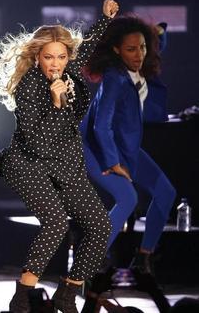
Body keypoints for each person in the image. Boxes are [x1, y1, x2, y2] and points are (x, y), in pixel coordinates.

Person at [0, 0, 119, 313]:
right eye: (48, 57)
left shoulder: (69, 66)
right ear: (36, 57)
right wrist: (58, 103)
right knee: (56, 223)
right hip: (29, 163)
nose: (55, 64)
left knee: (99, 225)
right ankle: (22, 295)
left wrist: (105, 18)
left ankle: (67, 294)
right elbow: (39, 141)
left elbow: (86, 45)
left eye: (61, 56)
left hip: (66, 162)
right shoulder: (28, 87)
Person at [80, 16, 176, 273]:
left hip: (124, 146)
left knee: (166, 193)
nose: (139, 55)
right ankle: (88, 263)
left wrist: (159, 32)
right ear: (116, 50)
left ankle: (144, 259)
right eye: (131, 49)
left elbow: (157, 43)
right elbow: (101, 125)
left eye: (142, 47)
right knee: (128, 198)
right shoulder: (115, 78)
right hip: (96, 148)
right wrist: (113, 163)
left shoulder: (139, 65)